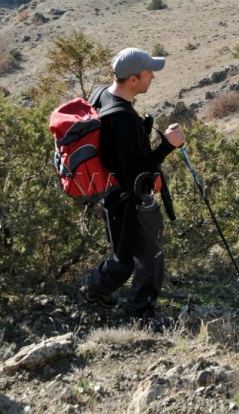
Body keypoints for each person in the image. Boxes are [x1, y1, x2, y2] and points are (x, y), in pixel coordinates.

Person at [81, 47, 185, 329]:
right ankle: (139, 317)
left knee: (124, 257)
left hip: (112, 196)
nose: (153, 76)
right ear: (133, 79)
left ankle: (95, 290)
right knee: (150, 259)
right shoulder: (123, 119)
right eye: (149, 72)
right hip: (128, 200)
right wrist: (167, 146)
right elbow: (135, 173)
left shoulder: (103, 94)